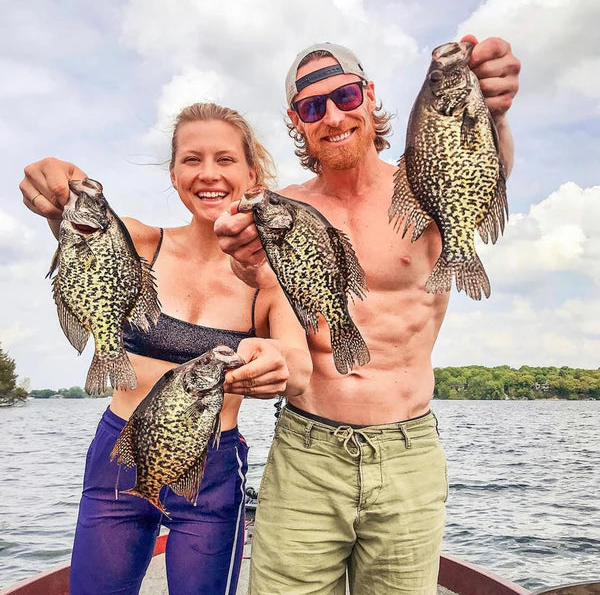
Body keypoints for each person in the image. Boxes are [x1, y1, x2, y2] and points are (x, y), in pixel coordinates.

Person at [214, 36, 521, 594]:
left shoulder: (425, 181)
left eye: (346, 96)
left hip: (408, 453)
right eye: (313, 107)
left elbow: (483, 167)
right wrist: (244, 265)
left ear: (369, 94)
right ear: (297, 121)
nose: (333, 116)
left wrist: (493, 113)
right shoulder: (285, 209)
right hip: (307, 452)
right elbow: (272, 308)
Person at [19, 102, 312, 595]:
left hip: (210, 465)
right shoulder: (133, 239)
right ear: (174, 174)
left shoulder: (269, 277)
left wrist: (280, 366)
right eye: (192, 159)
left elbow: (299, 369)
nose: (208, 173)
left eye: (225, 159)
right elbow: (76, 224)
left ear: (252, 175)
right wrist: (57, 183)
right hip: (119, 452)